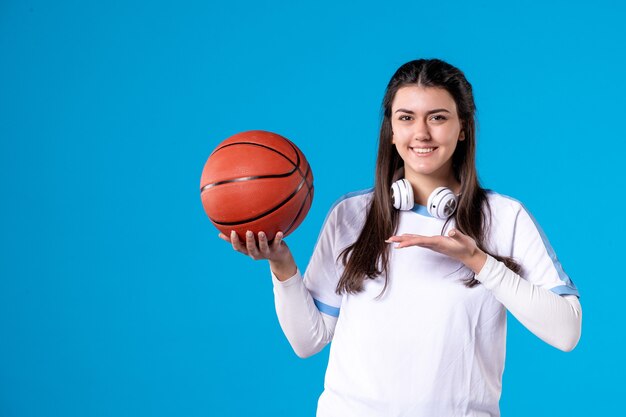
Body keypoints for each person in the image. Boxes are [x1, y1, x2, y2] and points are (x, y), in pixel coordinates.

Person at [218, 58, 582, 417]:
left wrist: (479, 261)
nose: (421, 133)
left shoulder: (504, 218)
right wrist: (282, 265)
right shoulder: (351, 215)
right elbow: (307, 341)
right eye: (406, 118)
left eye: (437, 117)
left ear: (463, 128)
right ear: (391, 131)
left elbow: (566, 332)